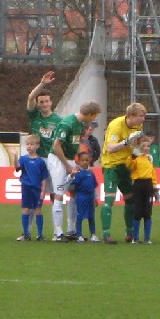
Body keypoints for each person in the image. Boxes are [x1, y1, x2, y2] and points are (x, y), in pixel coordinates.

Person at [52, 100, 102, 241]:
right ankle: (58, 233)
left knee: (74, 192)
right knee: (59, 193)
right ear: (90, 114)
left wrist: (81, 161)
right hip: (58, 159)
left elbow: (76, 144)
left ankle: (71, 230)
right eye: (94, 116)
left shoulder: (80, 125)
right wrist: (67, 165)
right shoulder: (67, 123)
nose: (94, 120)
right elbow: (56, 146)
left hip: (70, 159)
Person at [100, 102, 147, 244]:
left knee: (130, 200)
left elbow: (136, 144)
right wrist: (126, 142)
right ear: (131, 116)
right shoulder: (116, 125)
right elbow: (110, 148)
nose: (143, 119)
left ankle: (130, 233)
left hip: (125, 165)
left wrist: (138, 152)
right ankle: (106, 233)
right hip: (111, 165)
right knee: (109, 200)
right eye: (141, 116)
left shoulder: (138, 126)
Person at [25, 71, 64, 239]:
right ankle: (28, 232)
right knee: (34, 194)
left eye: (46, 101)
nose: (43, 104)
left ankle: (57, 230)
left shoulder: (59, 120)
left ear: (51, 103)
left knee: (55, 193)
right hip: (36, 159)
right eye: (41, 102)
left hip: (52, 159)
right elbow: (29, 98)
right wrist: (42, 83)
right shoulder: (34, 116)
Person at [15, 134, 50, 241]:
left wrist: (43, 190)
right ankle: (26, 234)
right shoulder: (23, 159)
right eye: (27, 144)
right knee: (25, 209)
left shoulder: (40, 161)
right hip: (26, 188)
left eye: (31, 144)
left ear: (37, 146)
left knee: (38, 210)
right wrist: (14, 157)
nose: (29, 146)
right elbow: (17, 168)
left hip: (37, 189)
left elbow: (44, 177)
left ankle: (40, 234)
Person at [129, 135, 158, 245]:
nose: (146, 148)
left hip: (148, 185)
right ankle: (135, 237)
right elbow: (130, 166)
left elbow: (153, 173)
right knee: (137, 212)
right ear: (139, 146)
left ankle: (147, 238)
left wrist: (155, 188)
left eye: (148, 146)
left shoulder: (149, 158)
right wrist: (132, 157)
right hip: (138, 184)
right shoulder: (136, 157)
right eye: (144, 146)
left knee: (147, 212)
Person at [70, 150, 99, 242]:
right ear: (79, 161)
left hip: (90, 197)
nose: (85, 162)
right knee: (80, 216)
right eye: (83, 160)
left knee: (91, 216)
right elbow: (73, 186)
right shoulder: (78, 173)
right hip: (81, 196)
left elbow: (94, 186)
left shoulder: (91, 172)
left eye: (87, 160)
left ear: (89, 160)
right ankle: (79, 234)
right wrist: (75, 196)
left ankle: (93, 234)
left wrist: (95, 198)